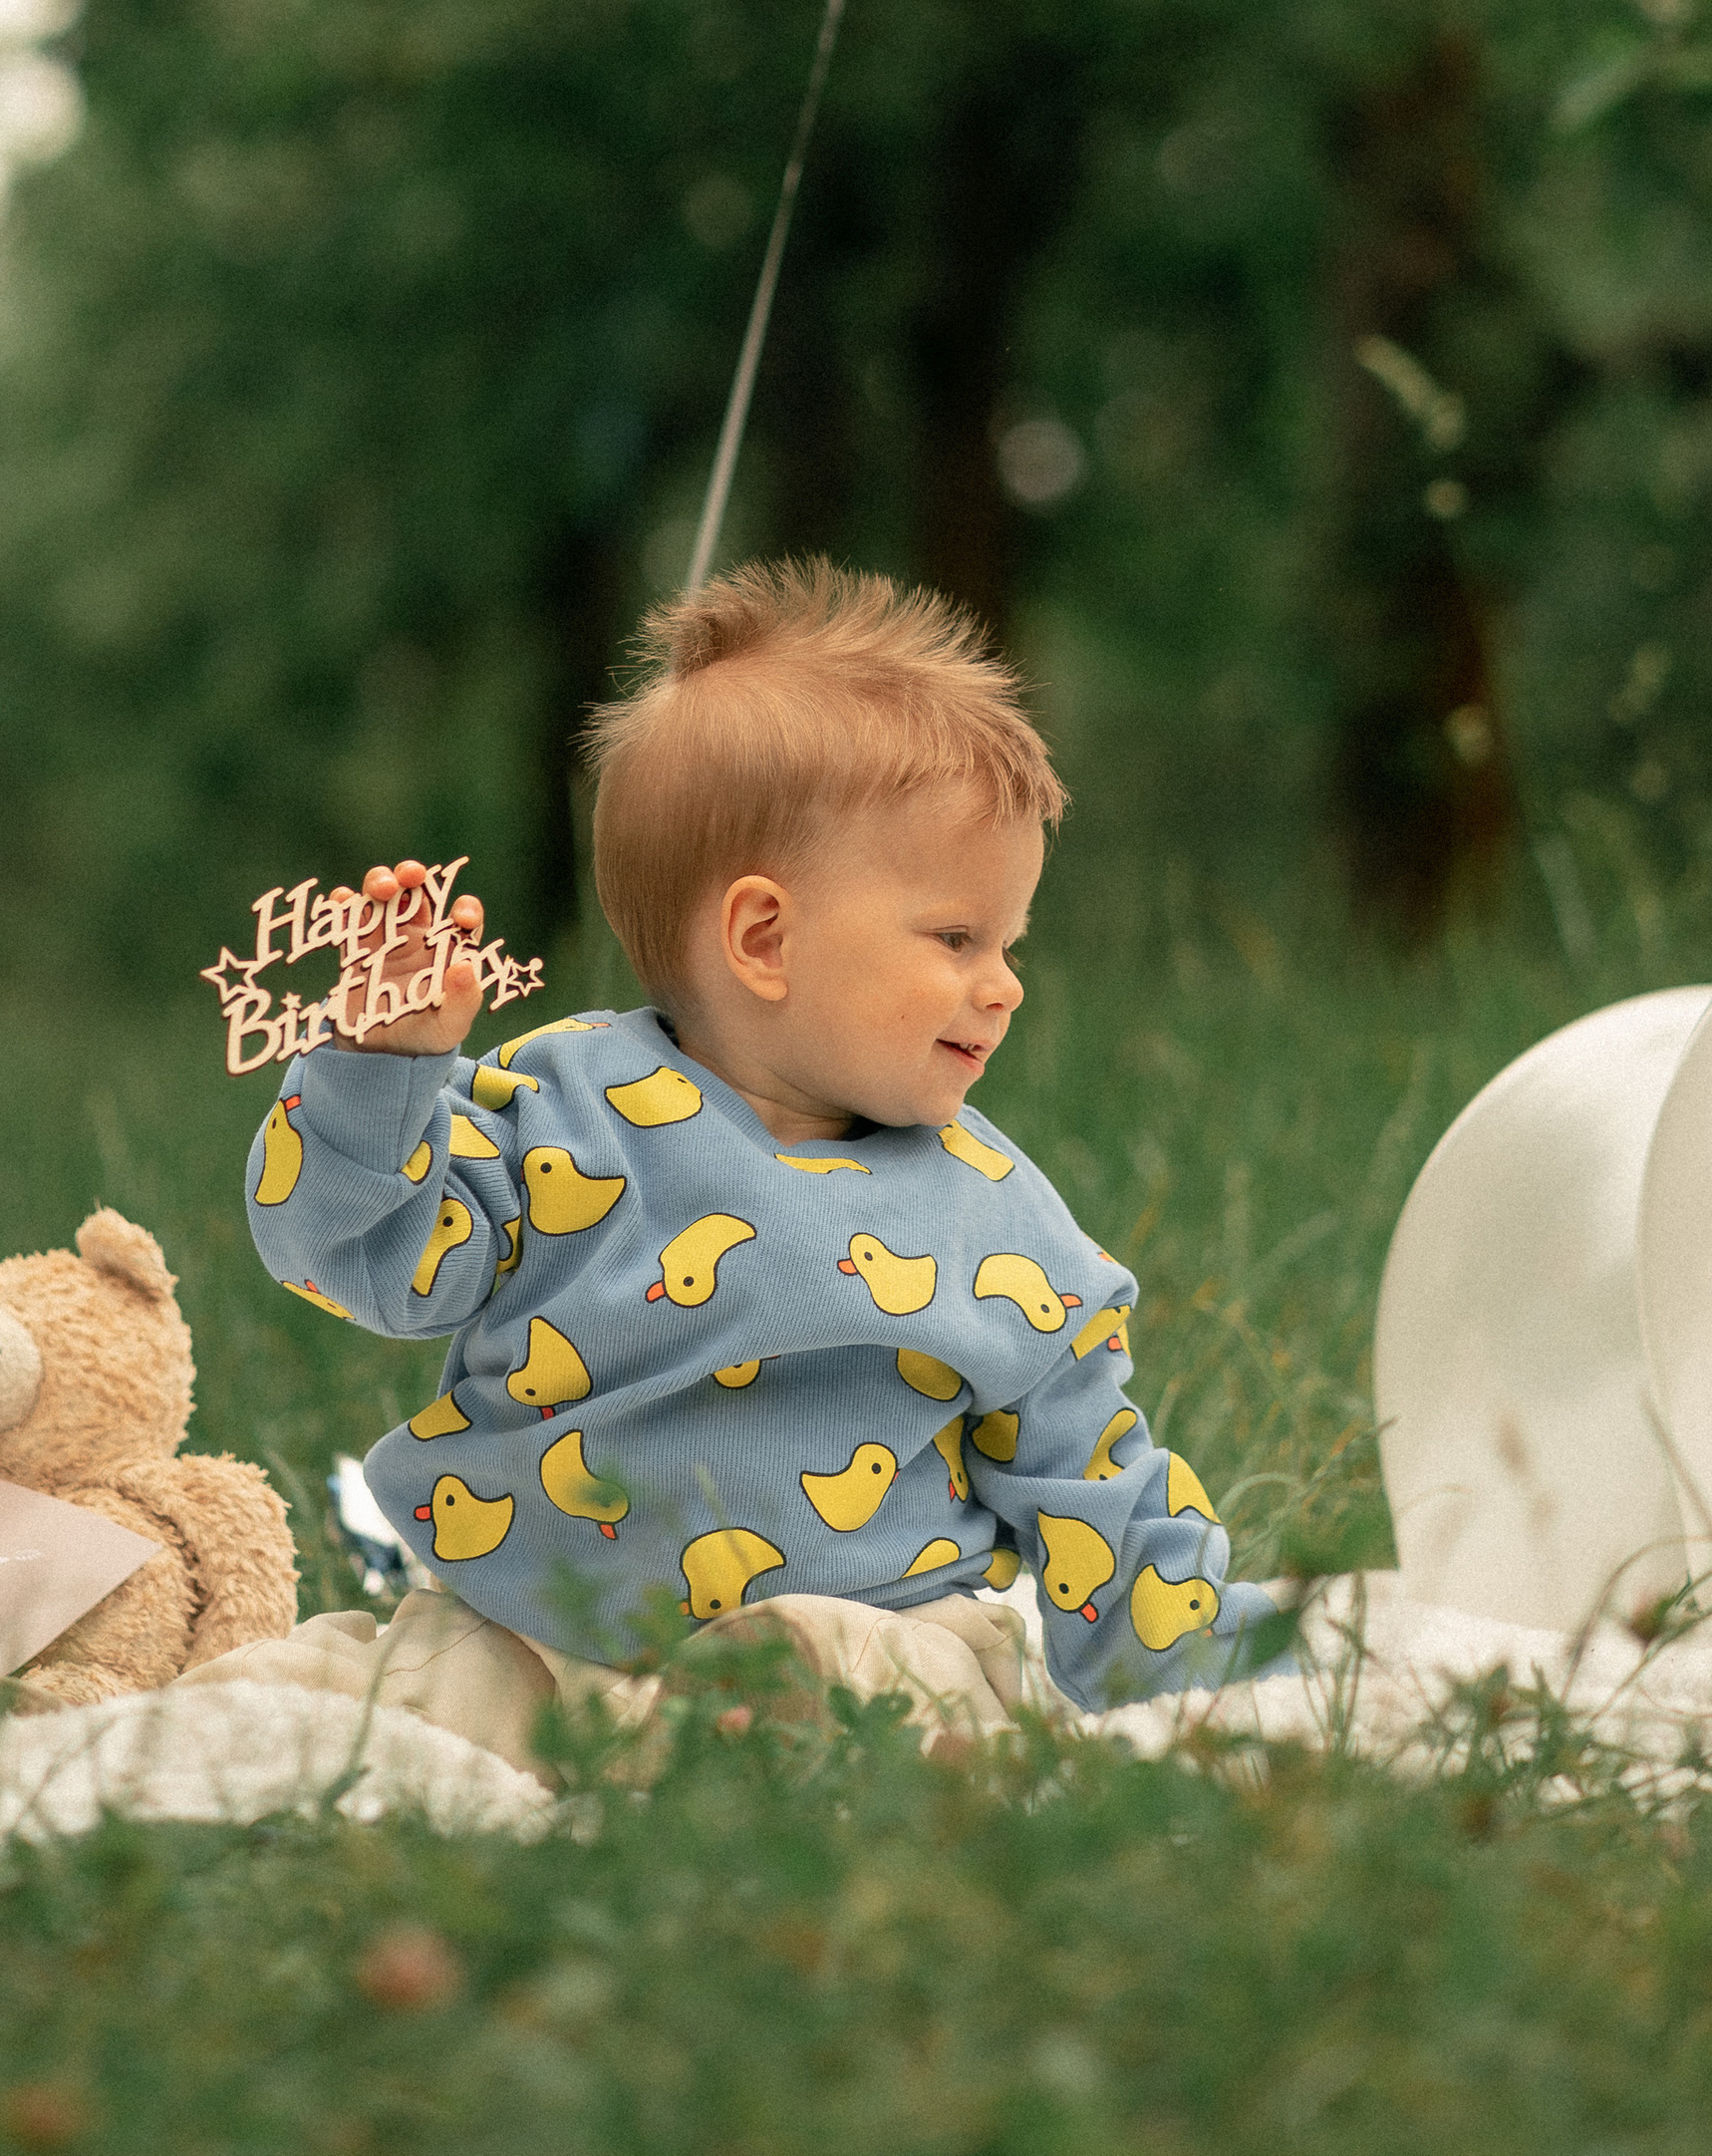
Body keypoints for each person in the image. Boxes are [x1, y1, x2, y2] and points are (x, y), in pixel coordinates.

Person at [224, 558, 1280, 1761]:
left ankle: (765, 1721)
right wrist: (378, 1078)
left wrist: (1209, 1689)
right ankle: (181, 1724)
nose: (1004, 986)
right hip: (540, 1630)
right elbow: (358, 1259)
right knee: (335, 1708)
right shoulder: (552, 1115)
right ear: (764, 936)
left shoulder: (998, 1223)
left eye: (1009, 944)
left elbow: (1096, 1481)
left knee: (921, 1678)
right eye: (957, 936)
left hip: (867, 1624)